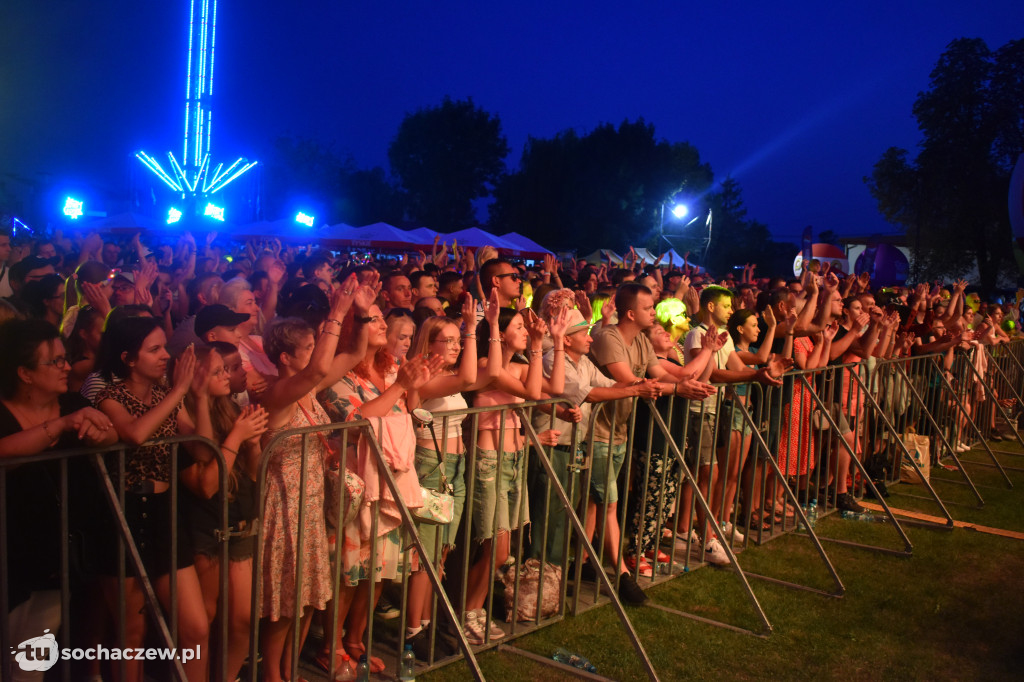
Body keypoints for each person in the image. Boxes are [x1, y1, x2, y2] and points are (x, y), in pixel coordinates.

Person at [257, 276, 371, 682]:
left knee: (306, 598)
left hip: (311, 501)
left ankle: (291, 670)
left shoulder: (309, 388)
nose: (316, 352)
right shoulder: (278, 392)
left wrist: (362, 311)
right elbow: (324, 365)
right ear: (285, 357)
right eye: (306, 347)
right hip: (286, 504)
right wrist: (335, 313)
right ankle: (273, 674)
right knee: (286, 600)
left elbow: (356, 352)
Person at [0, 319, 116, 682]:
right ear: (25, 373)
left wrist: (100, 436)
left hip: (60, 550)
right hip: (12, 550)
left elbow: (109, 434)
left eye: (66, 359)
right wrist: (63, 426)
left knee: (34, 656)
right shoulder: (4, 411)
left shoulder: (71, 400)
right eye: (56, 361)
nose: (67, 367)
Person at [94, 316, 209, 682]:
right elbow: (134, 434)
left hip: (164, 513)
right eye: (154, 349)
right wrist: (178, 393)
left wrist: (199, 396)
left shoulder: (167, 396)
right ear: (128, 358)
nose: (165, 356)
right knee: (131, 634)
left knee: (196, 627)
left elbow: (203, 451)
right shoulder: (109, 397)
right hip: (123, 514)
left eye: (164, 347)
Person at [588, 282, 716, 584]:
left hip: (618, 430)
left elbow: (668, 375)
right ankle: (611, 568)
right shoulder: (609, 337)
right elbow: (634, 382)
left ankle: (591, 563)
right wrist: (680, 388)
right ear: (630, 313)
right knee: (603, 502)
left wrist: (703, 360)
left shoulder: (643, 343)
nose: (653, 313)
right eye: (648, 308)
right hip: (595, 431)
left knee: (604, 503)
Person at [461, 305, 568, 643]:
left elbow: (555, 387)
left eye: (526, 327)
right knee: (497, 546)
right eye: (519, 327)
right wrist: (536, 347)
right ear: (501, 332)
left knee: (500, 547)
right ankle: (468, 612)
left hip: (514, 458)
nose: (525, 331)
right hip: (488, 459)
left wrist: (558, 341)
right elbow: (534, 394)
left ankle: (472, 610)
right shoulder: (484, 366)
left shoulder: (520, 368)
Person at [402, 292, 500, 660]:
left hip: (453, 470)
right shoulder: (423, 378)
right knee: (426, 554)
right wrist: (473, 328)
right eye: (451, 341)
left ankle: (427, 623)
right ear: (428, 344)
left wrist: (490, 326)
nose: (458, 347)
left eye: (460, 341)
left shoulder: (445, 374)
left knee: (441, 551)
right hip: (431, 466)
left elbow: (489, 374)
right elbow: (470, 377)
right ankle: (415, 630)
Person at [177, 344, 269, 682]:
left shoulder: (230, 408)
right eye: (218, 371)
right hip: (206, 529)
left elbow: (255, 474)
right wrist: (238, 436)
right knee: (204, 620)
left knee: (243, 619)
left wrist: (254, 443)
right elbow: (206, 484)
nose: (227, 376)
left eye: (226, 369)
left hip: (240, 524)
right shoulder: (180, 414)